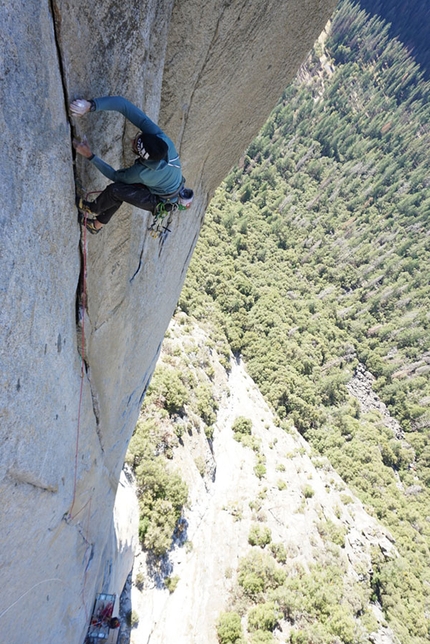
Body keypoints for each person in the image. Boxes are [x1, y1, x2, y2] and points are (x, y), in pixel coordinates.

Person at [70, 96, 186, 234]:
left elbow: (115, 176)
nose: (132, 140)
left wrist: (90, 155)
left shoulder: (142, 173)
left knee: (116, 190)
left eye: (134, 144)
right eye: (138, 136)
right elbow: (124, 105)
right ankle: (96, 226)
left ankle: (93, 208)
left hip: (160, 200)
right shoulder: (160, 138)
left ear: (141, 154)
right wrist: (91, 105)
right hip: (169, 187)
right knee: (122, 191)